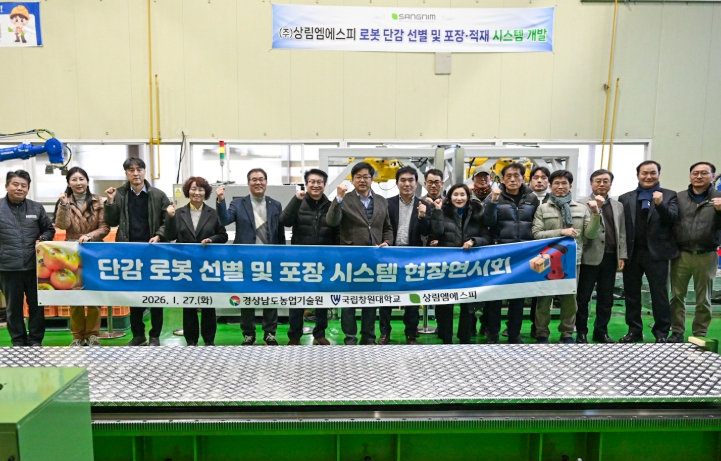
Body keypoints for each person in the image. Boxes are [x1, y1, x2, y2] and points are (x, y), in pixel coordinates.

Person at [104, 158, 175, 346]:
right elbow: (111, 222)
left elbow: (167, 222)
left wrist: (159, 235)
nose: (135, 173)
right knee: (133, 295)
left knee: (156, 296)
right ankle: (138, 335)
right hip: (129, 253)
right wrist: (110, 202)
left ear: (145, 171)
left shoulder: (158, 195)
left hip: (153, 252)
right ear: (126, 173)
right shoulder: (119, 194)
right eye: (131, 170)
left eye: (139, 169)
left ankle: (155, 335)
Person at [327, 162, 393, 345]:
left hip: (375, 259)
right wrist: (338, 198)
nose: (362, 180)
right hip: (350, 259)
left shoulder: (382, 201)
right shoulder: (345, 199)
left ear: (372, 179)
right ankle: (350, 338)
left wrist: (387, 242)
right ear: (352, 180)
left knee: (370, 300)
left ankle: (368, 337)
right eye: (358, 177)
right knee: (349, 301)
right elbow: (332, 221)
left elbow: (387, 227)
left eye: (366, 177)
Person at [216, 168, 285, 346]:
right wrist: (221, 201)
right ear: (248, 184)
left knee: (270, 297)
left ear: (266, 182)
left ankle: (270, 333)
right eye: (254, 179)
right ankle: (248, 334)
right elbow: (225, 220)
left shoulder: (275, 205)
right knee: (246, 297)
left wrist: (281, 256)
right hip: (246, 260)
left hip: (269, 259)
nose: (258, 182)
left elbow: (279, 233)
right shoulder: (238, 204)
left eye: (261, 179)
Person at [532, 169, 601, 344]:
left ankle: (567, 333)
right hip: (547, 260)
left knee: (570, 299)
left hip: (571, 260)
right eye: (556, 183)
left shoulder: (582, 208)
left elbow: (591, 234)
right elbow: (536, 234)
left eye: (564, 183)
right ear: (551, 186)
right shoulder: (542, 208)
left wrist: (595, 214)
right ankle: (542, 333)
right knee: (544, 298)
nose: (560, 186)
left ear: (570, 186)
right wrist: (561, 232)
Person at [618, 160, 678, 343]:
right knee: (631, 295)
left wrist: (660, 204)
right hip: (633, 254)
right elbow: (622, 228)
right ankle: (634, 330)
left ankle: (661, 333)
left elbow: (673, 219)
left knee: (659, 294)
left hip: (657, 254)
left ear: (659, 174)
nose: (648, 176)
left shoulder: (670, 195)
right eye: (644, 173)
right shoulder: (625, 198)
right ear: (638, 175)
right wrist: (622, 253)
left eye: (653, 173)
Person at [425, 183, 492, 344]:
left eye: (462, 194)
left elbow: (487, 237)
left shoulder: (477, 213)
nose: (459, 198)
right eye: (455, 195)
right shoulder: (443, 211)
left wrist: (474, 241)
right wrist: (437, 212)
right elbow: (436, 232)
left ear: (468, 197)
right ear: (450, 197)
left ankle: (465, 337)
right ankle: (446, 337)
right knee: (445, 303)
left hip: (470, 266)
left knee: (468, 303)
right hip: (447, 265)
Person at [280, 168, 338, 346]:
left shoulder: (330, 206)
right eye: (312, 181)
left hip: (324, 261)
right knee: (297, 299)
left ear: (324, 185)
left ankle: (319, 333)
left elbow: (336, 232)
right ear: (306, 184)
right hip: (299, 261)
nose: (315, 185)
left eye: (319, 182)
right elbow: (284, 221)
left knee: (322, 300)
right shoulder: (298, 203)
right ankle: (294, 335)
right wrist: (296, 200)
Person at [166, 177, 227, 346]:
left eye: (200, 189)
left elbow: (223, 235)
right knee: (189, 305)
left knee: (208, 304)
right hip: (186, 267)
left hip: (207, 266)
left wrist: (211, 240)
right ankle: (191, 341)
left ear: (205, 193)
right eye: (193, 189)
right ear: (188, 191)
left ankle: (209, 340)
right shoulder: (178, 213)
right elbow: (170, 236)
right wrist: (169, 218)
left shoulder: (213, 213)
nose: (197, 193)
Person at [483, 162, 540, 344]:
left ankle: (514, 333)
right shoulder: (494, 196)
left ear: (523, 178)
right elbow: (488, 222)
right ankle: (492, 333)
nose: (513, 179)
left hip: (523, 255)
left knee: (518, 297)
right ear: (503, 179)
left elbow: (537, 224)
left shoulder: (532, 199)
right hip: (500, 254)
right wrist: (493, 201)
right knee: (495, 297)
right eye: (508, 176)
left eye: (517, 175)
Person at [54, 167, 110, 346]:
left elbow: (105, 227)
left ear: (87, 181)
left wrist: (90, 236)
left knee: (94, 293)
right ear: (68, 183)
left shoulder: (98, 200)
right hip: (72, 251)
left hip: (94, 250)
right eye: (74, 179)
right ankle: (78, 336)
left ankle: (93, 334)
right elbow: (62, 225)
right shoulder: (64, 200)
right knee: (74, 294)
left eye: (81, 179)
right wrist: (64, 205)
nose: (78, 183)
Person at [0, 170, 55, 346]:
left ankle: (35, 340)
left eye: (24, 185)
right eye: (15, 184)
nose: (19, 188)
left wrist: (43, 238)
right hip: (8, 268)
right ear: (7, 186)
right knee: (13, 308)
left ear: (28, 189)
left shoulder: (36, 208)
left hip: (35, 267)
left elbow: (49, 229)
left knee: (37, 306)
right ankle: (18, 340)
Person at [669, 162, 721, 342]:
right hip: (681, 254)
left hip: (707, 255)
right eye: (695, 173)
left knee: (703, 298)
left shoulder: (719, 198)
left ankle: (700, 333)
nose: (699, 176)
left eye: (704, 173)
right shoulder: (679, 197)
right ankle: (677, 331)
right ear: (690, 176)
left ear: (712, 176)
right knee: (676, 296)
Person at [379, 166, 431, 345]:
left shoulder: (424, 205)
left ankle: (411, 333)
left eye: (410, 180)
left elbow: (427, 232)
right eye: (403, 180)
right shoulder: (387, 203)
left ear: (416, 183)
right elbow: (382, 227)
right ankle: (385, 332)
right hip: (390, 255)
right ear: (397, 183)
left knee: (412, 298)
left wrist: (422, 216)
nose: (407, 184)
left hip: (413, 257)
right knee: (386, 297)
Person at [575, 169, 627, 344]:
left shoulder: (618, 205)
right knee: (583, 297)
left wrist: (622, 255)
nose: (602, 184)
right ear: (591, 183)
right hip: (588, 256)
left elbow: (622, 232)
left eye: (606, 181)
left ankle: (601, 332)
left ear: (610, 184)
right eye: (598, 181)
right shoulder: (581, 204)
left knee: (606, 298)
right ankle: (581, 332)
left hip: (611, 257)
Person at [527, 165, 551, 338]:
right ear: (530, 181)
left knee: (540, 291)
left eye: (543, 178)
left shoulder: (555, 200)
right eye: (536, 177)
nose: (539, 181)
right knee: (522, 288)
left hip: (547, 252)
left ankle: (537, 326)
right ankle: (514, 325)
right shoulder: (524, 199)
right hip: (526, 250)